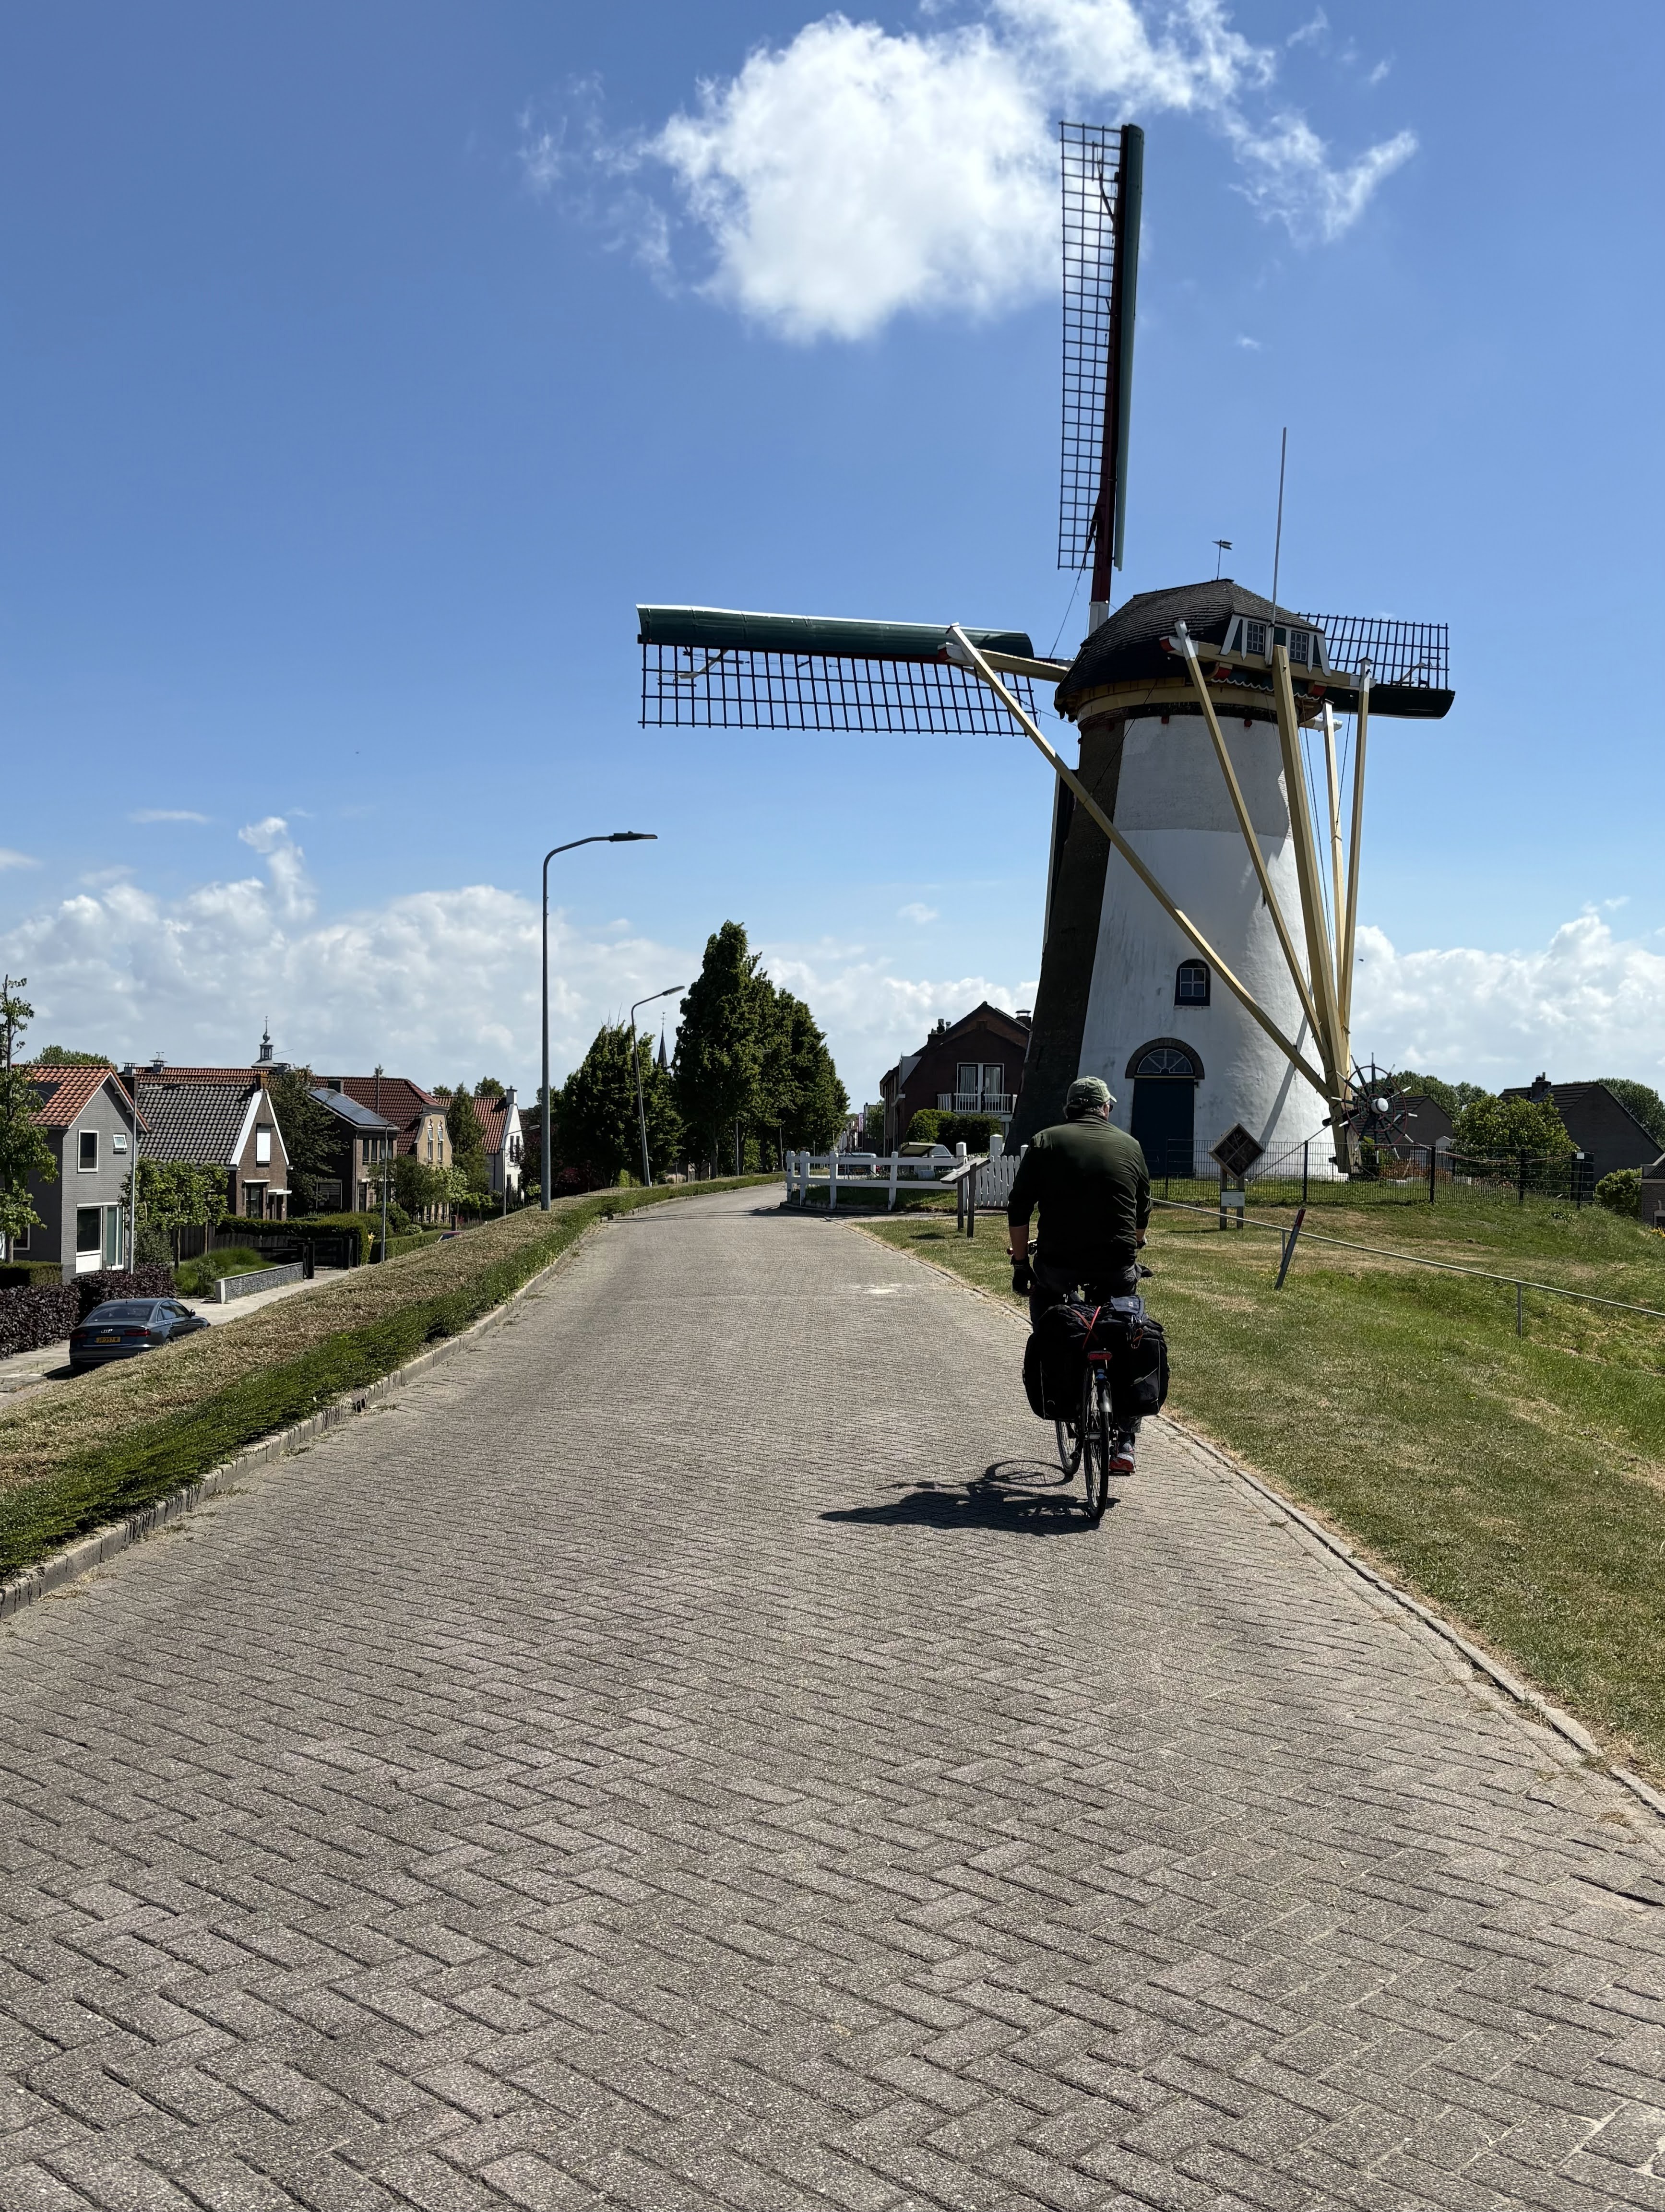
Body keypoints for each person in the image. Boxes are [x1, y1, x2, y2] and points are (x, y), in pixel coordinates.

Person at [1007, 1074, 1151, 1474]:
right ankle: (1125, 1439)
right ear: (1105, 1108)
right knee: (1126, 1333)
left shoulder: (1045, 1141)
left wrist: (1021, 1266)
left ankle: (1065, 1398)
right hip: (1116, 1264)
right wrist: (1132, 1249)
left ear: (1069, 1109)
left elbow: (1019, 1209)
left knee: (1050, 1317)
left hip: (1059, 1264)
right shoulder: (1131, 1145)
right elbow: (1142, 1213)